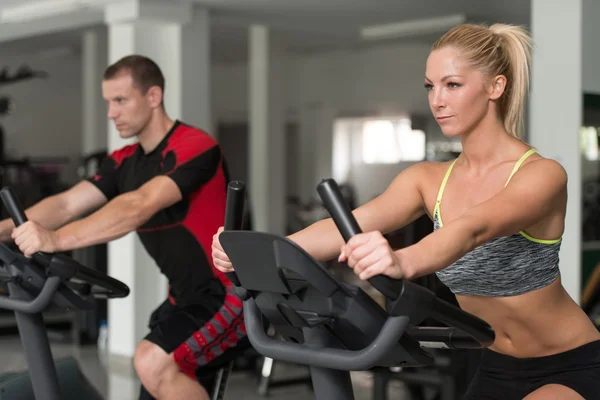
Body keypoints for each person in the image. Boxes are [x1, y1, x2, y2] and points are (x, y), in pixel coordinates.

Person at [212, 23, 600, 400]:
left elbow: (473, 230)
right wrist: (257, 251)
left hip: (571, 364)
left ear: (495, 87)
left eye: (452, 85)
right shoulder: (428, 179)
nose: (437, 100)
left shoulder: (542, 175)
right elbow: (347, 226)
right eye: (431, 87)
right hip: (495, 365)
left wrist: (402, 260)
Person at [4, 55, 247, 400]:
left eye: (120, 100)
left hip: (229, 297)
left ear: (153, 97)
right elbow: (66, 203)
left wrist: (55, 239)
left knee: (152, 361)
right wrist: (2, 230)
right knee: (152, 374)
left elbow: (139, 204)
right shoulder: (123, 161)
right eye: (108, 102)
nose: (111, 113)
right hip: (183, 300)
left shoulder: (195, 146)